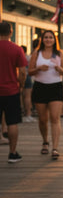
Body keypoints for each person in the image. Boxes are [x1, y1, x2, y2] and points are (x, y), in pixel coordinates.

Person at [28, 30, 63, 160]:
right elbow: (30, 71)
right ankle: (45, 141)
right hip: (40, 87)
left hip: (55, 87)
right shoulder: (36, 53)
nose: (48, 39)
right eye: (46, 37)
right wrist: (39, 69)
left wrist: (59, 69)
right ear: (42, 39)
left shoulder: (60, 54)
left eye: (51, 37)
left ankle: (55, 148)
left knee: (55, 118)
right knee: (42, 119)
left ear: (54, 39)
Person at [0, 22, 27, 163]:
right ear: (11, 32)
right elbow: (22, 72)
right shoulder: (17, 49)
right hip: (11, 91)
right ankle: (12, 153)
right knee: (12, 123)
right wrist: (21, 86)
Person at [21, 45, 35, 122]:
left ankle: (22, 111)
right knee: (28, 96)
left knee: (21, 96)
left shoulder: (19, 57)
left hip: (18, 77)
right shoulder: (29, 58)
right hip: (28, 77)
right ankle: (28, 114)